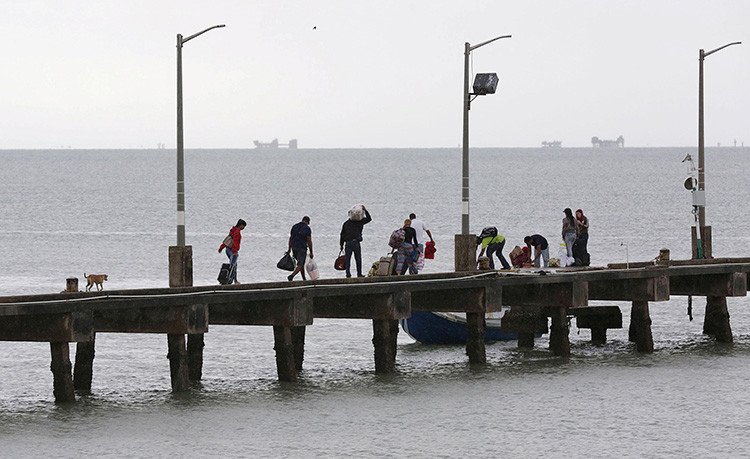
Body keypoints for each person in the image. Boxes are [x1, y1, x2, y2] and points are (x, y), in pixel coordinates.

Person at [339, 205, 372, 278]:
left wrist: (341, 245)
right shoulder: (360, 222)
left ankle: (348, 274)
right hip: (356, 243)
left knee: (348, 259)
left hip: (348, 243)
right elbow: (369, 219)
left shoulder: (346, 223)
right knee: (358, 259)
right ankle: (359, 274)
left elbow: (342, 235)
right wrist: (365, 210)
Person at [218, 218, 246, 284]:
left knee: (233, 265)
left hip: (227, 250)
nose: (244, 228)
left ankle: (230, 279)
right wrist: (235, 251)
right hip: (233, 251)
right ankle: (232, 280)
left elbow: (228, 239)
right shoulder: (237, 232)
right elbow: (235, 242)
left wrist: (221, 247)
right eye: (243, 226)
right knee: (233, 266)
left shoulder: (233, 230)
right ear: (241, 225)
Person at [287, 216, 313, 281]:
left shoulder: (294, 226)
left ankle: (304, 279)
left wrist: (289, 249)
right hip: (302, 248)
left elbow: (290, 238)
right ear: (308, 221)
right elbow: (309, 241)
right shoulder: (307, 228)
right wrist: (311, 252)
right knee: (300, 264)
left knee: (301, 264)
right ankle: (291, 276)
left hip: (294, 247)